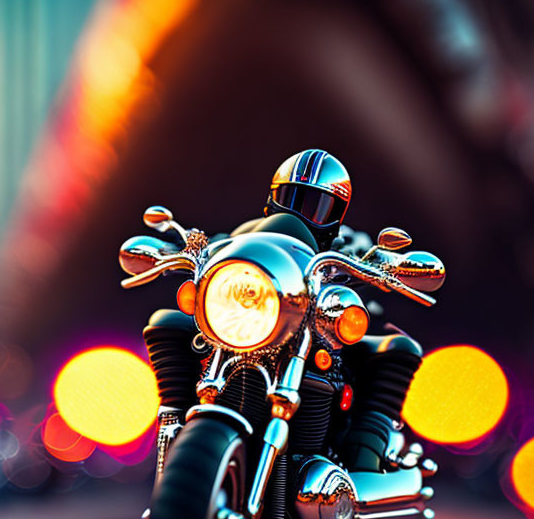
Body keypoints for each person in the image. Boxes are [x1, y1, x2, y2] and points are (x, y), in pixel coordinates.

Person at [145, 149, 423, 473]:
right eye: (290, 197)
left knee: (395, 349)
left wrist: (380, 268)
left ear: (337, 215)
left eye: (319, 207)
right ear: (272, 199)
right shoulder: (240, 240)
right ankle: (173, 421)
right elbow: (212, 251)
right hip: (256, 319)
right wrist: (174, 252)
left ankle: (366, 459)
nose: (300, 213)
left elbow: (367, 260)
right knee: (170, 322)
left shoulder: (345, 246)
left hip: (306, 322)